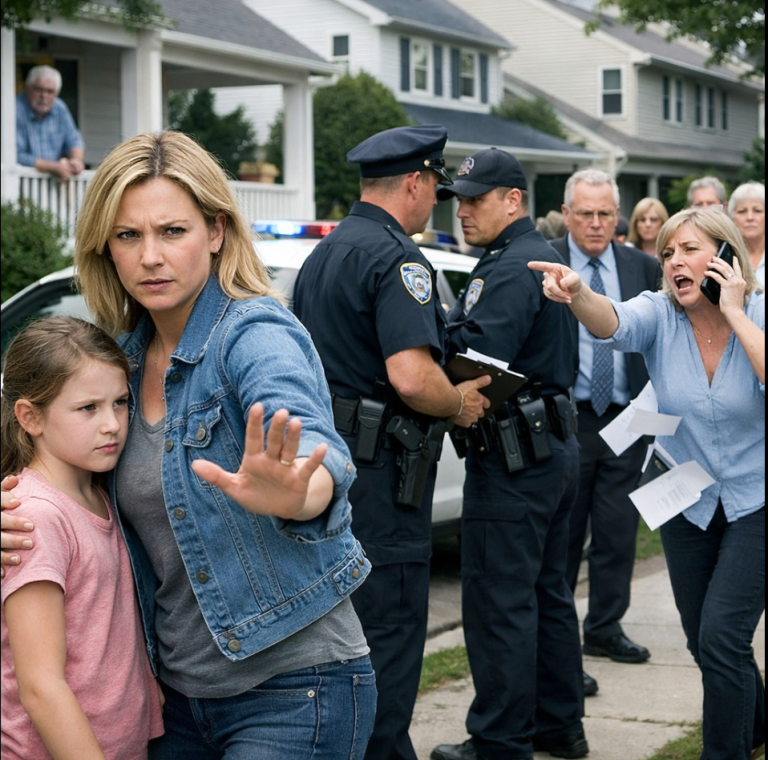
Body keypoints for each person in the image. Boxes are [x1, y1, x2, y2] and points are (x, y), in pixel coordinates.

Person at [1, 129, 378, 759]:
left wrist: (299, 492)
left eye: (172, 231)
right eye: (128, 235)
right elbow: (50, 469)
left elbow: (313, 447)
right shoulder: (120, 362)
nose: (150, 256)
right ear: (106, 249)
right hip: (174, 701)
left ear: (216, 231)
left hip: (293, 689)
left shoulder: (253, 333)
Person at [530, 206, 765, 760]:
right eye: (667, 253)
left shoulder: (757, 310)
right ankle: (756, 725)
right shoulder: (660, 313)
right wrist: (578, 294)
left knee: (722, 637)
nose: (675, 261)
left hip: (757, 499)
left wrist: (734, 311)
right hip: (688, 496)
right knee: (703, 640)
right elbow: (611, 320)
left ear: (726, 256)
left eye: (690, 249)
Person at [292, 124, 491, 760]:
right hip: (381, 479)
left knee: (336, 649)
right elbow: (410, 375)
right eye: (434, 185)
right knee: (387, 639)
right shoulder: (399, 260)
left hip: (327, 471)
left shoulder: (325, 254)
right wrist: (458, 402)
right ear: (413, 182)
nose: (434, 199)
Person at [430, 148, 587, 760]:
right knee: (547, 595)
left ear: (513, 199)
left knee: (500, 602)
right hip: (548, 449)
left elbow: (475, 358)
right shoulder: (532, 257)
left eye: (476, 199)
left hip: (515, 456)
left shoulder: (512, 265)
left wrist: (428, 331)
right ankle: (558, 726)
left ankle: (500, 741)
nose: (463, 211)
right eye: (459, 200)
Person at [1, 316, 164, 760]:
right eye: (88, 408)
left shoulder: (99, 494)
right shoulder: (35, 517)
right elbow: (41, 685)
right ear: (30, 416)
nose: (111, 424)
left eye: (120, 402)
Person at [550, 169, 661, 694]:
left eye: (605, 214)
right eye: (585, 213)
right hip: (568, 418)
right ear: (566, 214)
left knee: (617, 533)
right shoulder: (544, 261)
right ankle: (560, 639)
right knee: (566, 534)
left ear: (617, 215)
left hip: (627, 416)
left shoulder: (641, 266)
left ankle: (605, 627)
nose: (596, 223)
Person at [16, 65, 85, 182]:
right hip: (19, 184)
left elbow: (74, 140)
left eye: (50, 91)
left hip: (53, 186)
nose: (44, 96)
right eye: (39, 89)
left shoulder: (60, 108)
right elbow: (16, 155)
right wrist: (53, 167)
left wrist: (76, 160)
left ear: (57, 93)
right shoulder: (14, 110)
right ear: (27, 88)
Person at [729, 181, 765, 287]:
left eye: (757, 211)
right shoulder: (725, 257)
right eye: (742, 211)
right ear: (732, 218)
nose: (750, 217)